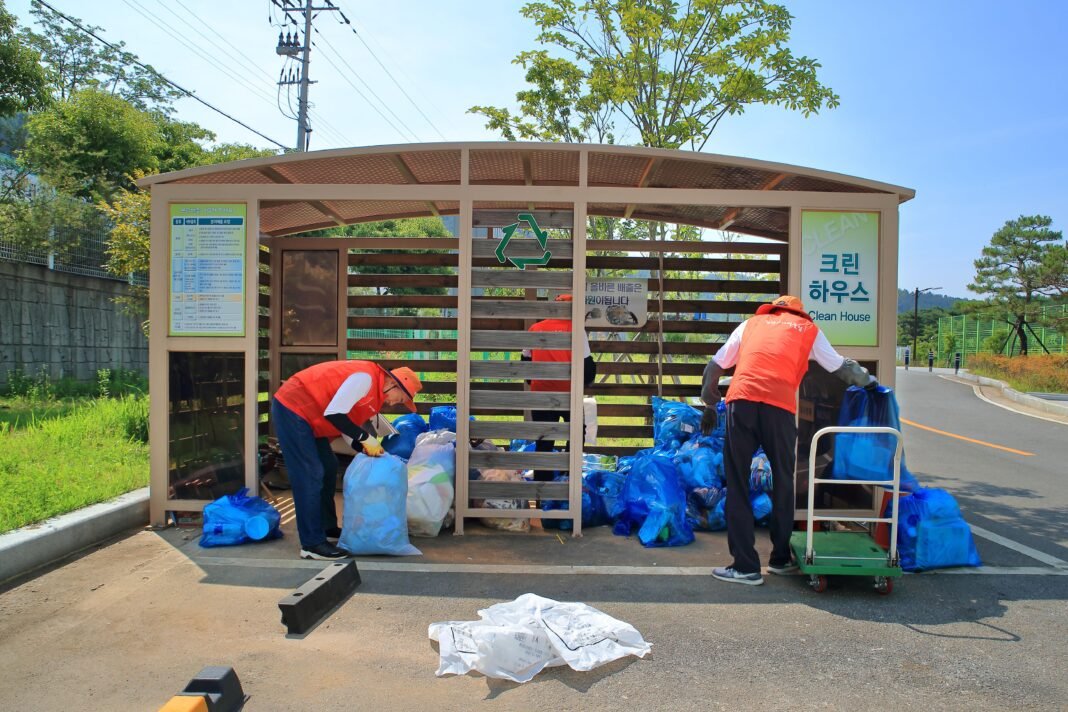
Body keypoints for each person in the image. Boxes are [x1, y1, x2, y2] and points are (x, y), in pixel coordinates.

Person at [700, 295, 877, 586]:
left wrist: (709, 402)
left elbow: (715, 365)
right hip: (780, 409)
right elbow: (840, 367)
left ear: (773, 309)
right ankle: (780, 559)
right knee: (784, 480)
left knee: (739, 483)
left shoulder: (751, 324)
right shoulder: (809, 329)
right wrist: (870, 383)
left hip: (742, 403)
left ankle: (745, 567)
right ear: (799, 313)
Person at [271, 361, 423, 560]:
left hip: (311, 417)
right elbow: (334, 413)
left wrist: (365, 448)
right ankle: (311, 544)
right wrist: (365, 439)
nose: (395, 404)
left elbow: (347, 424)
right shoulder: (365, 378)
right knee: (310, 474)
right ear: (394, 384)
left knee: (329, 465)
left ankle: (326, 527)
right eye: (400, 398)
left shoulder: (374, 396)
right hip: (294, 407)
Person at [521, 294, 596, 481]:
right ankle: (569, 477)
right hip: (569, 394)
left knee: (544, 441)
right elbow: (587, 365)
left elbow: (525, 362)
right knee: (576, 435)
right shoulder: (577, 330)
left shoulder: (535, 329)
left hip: (541, 394)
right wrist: (586, 383)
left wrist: (534, 382)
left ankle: (542, 489)